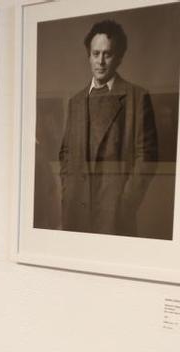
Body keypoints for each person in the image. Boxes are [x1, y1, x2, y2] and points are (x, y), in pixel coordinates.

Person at [58, 19, 158, 237]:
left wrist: (126, 202)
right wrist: (68, 190)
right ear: (89, 56)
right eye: (95, 54)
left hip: (114, 215)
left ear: (119, 57)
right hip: (76, 212)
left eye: (108, 54)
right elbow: (65, 152)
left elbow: (147, 156)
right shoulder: (75, 101)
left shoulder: (137, 97)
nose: (100, 61)